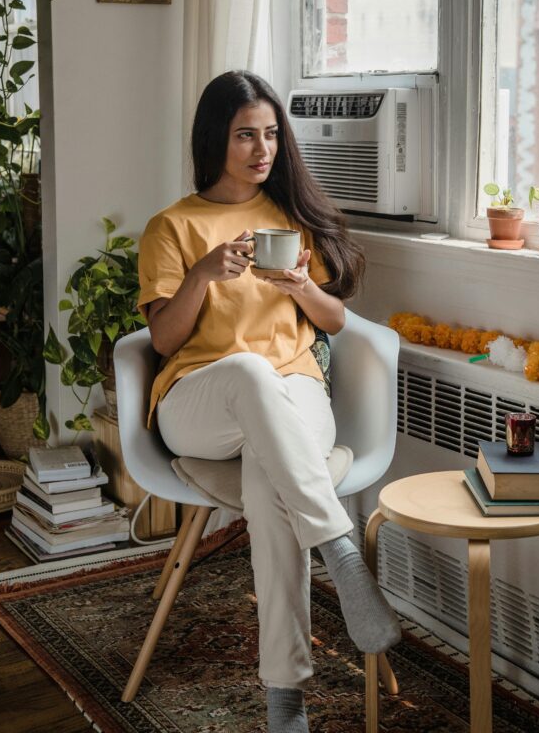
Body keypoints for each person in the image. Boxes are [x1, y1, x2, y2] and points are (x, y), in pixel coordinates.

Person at [137, 70, 401, 732]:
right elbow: (164, 339)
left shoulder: (290, 220)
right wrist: (203, 272)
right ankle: (340, 551)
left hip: (295, 396)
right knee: (251, 374)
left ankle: (286, 701)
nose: (263, 149)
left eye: (271, 135)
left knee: (268, 483)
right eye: (245, 135)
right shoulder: (171, 226)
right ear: (213, 140)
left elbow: (335, 323)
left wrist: (298, 289)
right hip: (201, 400)